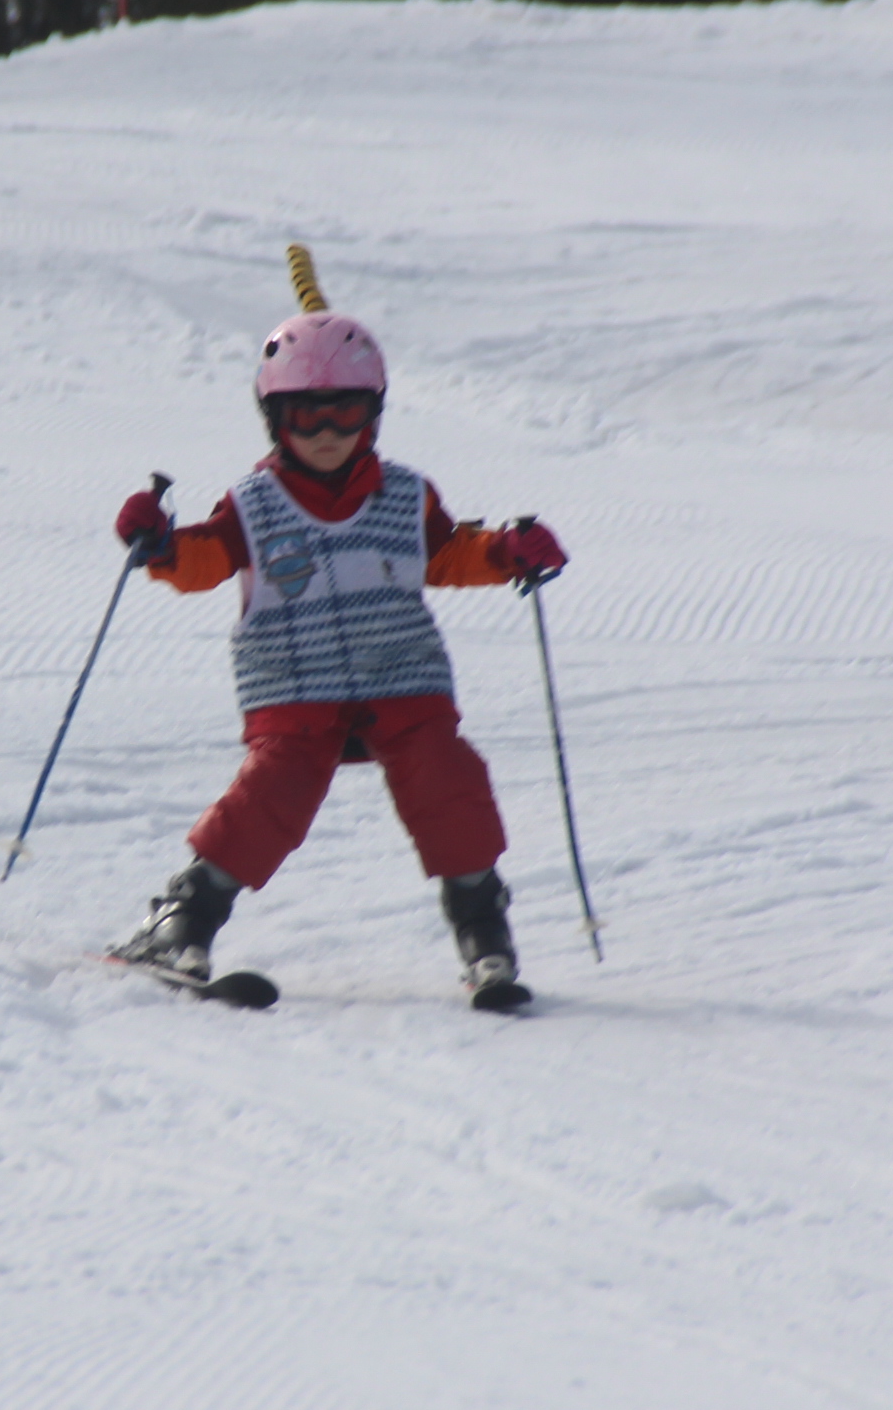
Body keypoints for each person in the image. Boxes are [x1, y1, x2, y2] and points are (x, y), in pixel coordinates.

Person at [106, 308, 570, 1006]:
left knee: (447, 777)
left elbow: (447, 553)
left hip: (400, 675)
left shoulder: (405, 495)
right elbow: (203, 560)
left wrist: (507, 552)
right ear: (274, 419)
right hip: (294, 685)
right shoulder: (253, 505)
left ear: (373, 414)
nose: (326, 433)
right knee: (273, 793)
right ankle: (183, 919)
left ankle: (482, 929)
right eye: (305, 416)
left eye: (345, 412)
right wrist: (161, 546)